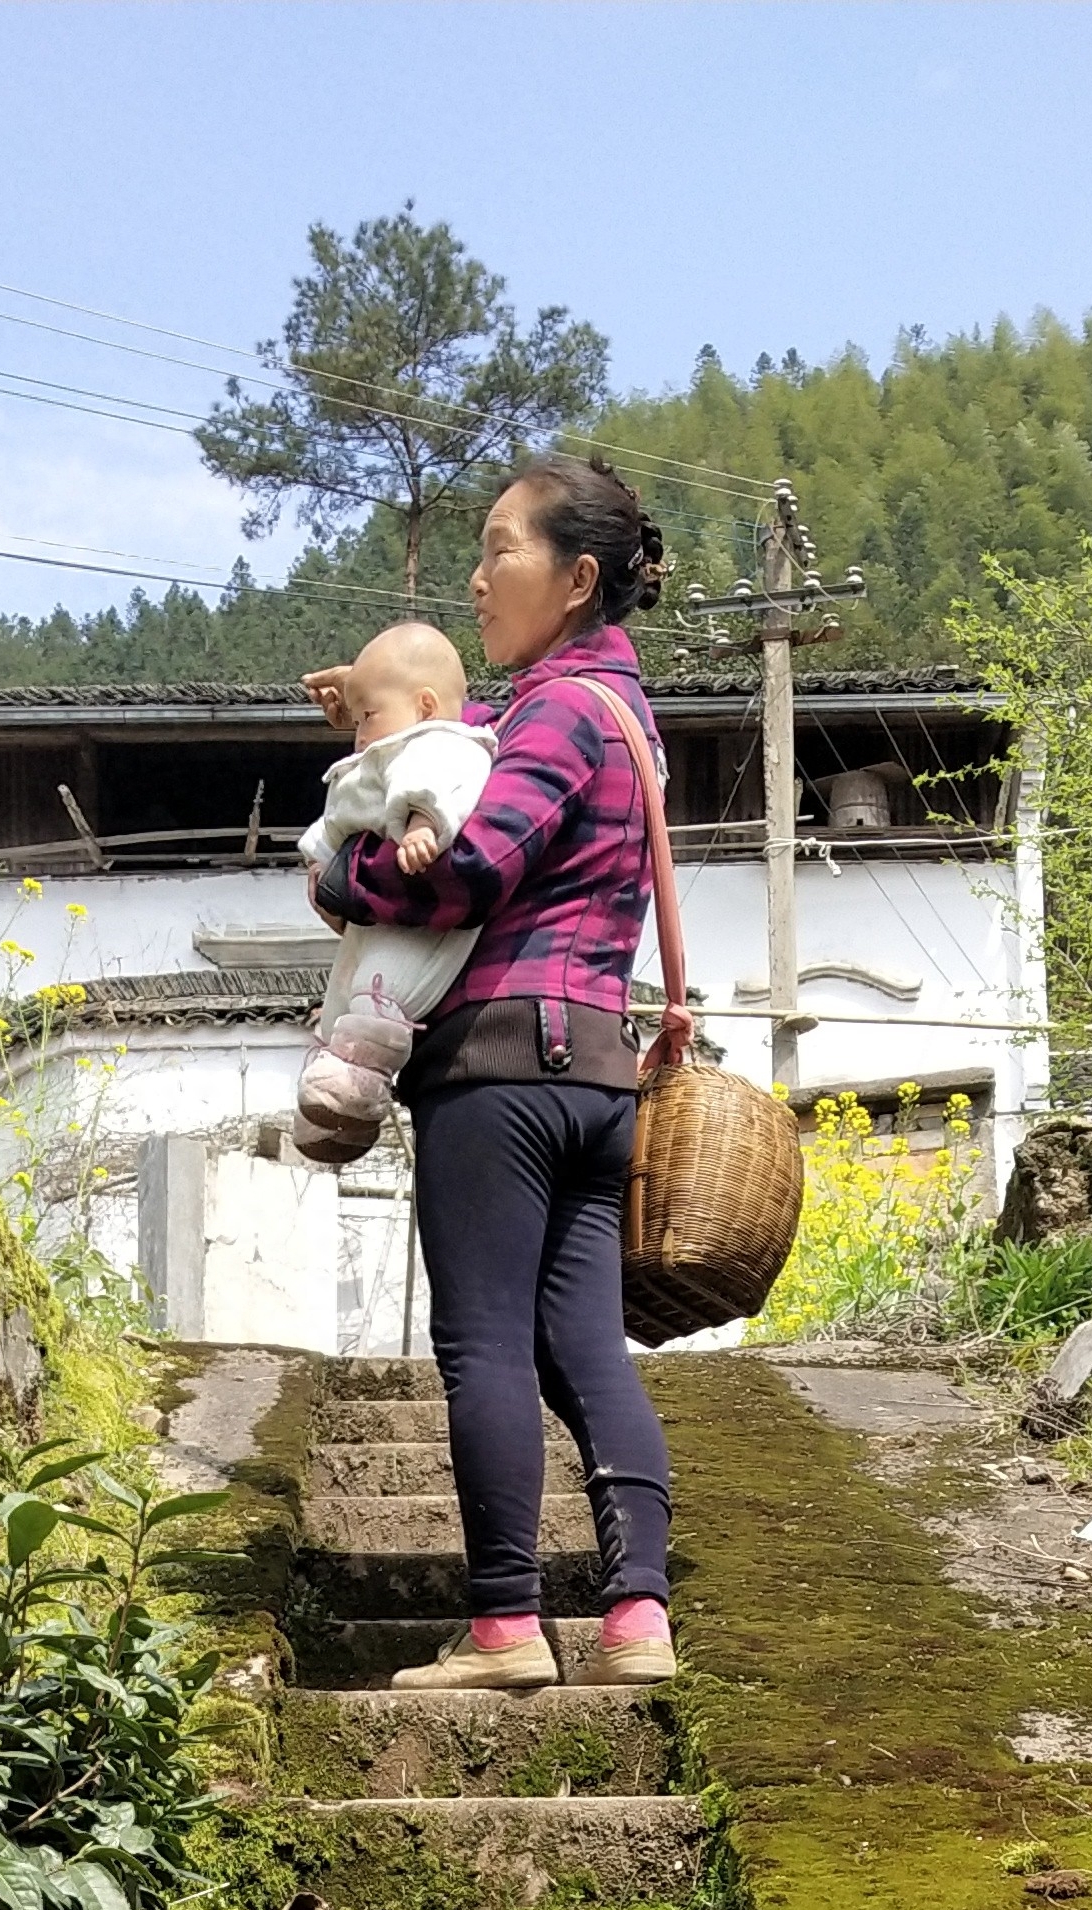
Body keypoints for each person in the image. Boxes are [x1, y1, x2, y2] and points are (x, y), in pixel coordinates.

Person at [304, 453, 686, 1693]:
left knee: (483, 1346)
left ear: (576, 580)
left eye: (499, 551)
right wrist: (378, 719)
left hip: (498, 1074)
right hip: (593, 1073)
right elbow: (468, 764)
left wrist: (330, 882)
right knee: (585, 1348)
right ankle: (636, 1621)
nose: (477, 579)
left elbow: (465, 872)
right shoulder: (614, 711)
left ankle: (507, 1625)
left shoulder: (559, 713)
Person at [291, 621, 498, 1165]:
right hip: (368, 912)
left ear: (425, 705)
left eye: (368, 717)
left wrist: (424, 825)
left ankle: (357, 1086)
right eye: (358, 720)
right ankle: (327, 1110)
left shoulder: (441, 745)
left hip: (411, 924)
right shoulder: (393, 746)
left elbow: (436, 784)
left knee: (385, 991)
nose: (359, 732)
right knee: (344, 994)